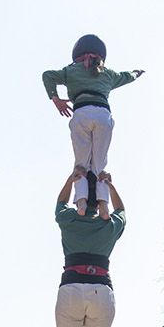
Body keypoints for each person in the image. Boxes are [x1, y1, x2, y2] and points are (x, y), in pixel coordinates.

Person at [41, 34, 143, 216]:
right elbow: (129, 76)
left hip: (81, 113)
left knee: (81, 164)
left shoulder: (71, 71)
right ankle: (103, 205)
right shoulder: (108, 74)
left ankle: (81, 202)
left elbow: (47, 76)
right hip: (103, 115)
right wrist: (137, 73)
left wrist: (56, 99)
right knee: (99, 165)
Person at [51, 167, 125, 327]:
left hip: (71, 286)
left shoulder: (69, 220)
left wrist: (69, 180)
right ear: (100, 202)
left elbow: (59, 205)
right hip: (101, 290)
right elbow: (122, 211)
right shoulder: (109, 226)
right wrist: (110, 187)